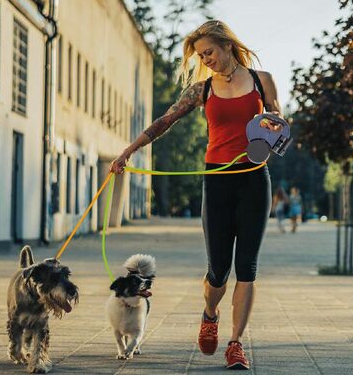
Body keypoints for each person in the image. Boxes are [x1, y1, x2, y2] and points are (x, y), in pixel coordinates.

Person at [110, 20, 283, 370]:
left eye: (210, 52)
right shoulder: (202, 90)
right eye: (201, 56)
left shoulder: (261, 81)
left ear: (227, 45)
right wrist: (128, 150)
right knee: (218, 270)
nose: (207, 60)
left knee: (247, 268)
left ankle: (236, 344)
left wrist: (273, 123)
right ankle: (210, 313)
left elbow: (278, 118)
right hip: (216, 181)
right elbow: (165, 120)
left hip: (253, 178)